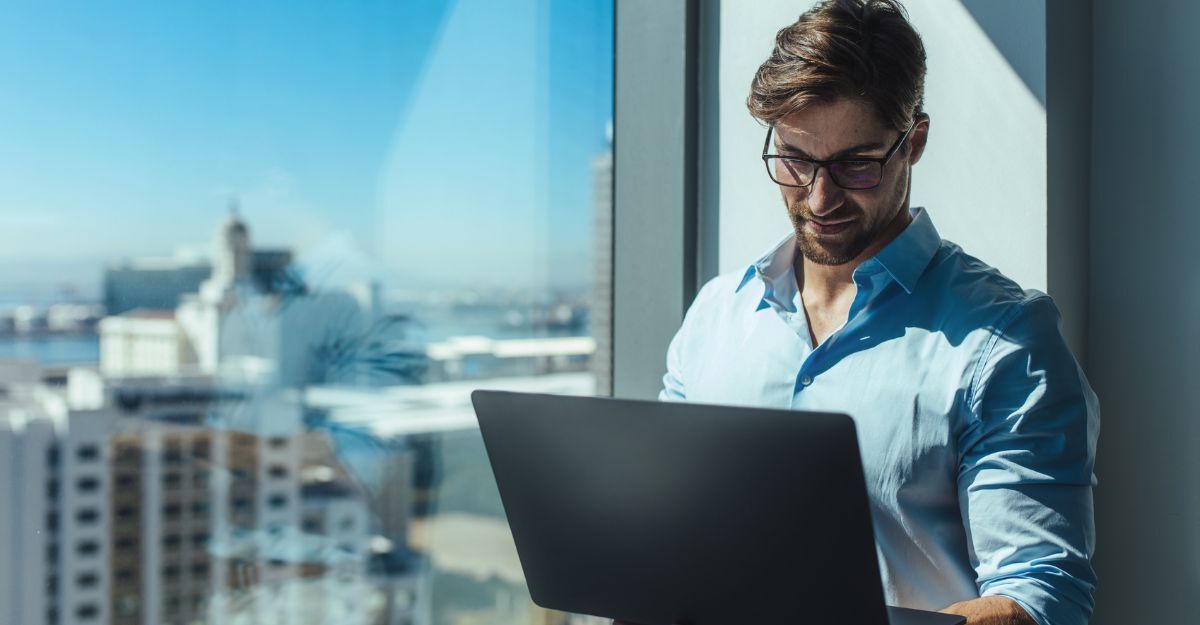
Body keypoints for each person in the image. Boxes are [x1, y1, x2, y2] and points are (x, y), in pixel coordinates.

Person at [650, 1, 1100, 624]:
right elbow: (670, 530)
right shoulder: (714, 317)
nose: (819, 198)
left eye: (855, 164)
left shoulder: (1005, 341)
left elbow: (1041, 596)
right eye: (795, 159)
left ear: (914, 142)